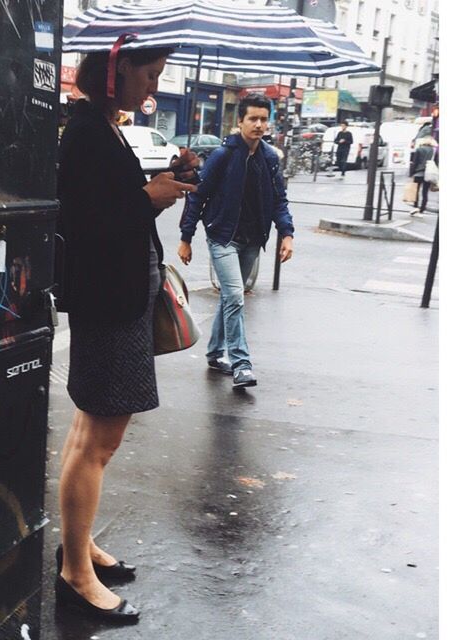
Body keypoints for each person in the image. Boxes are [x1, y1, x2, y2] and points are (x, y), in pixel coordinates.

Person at [56, 45, 198, 623]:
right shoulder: (87, 133)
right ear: (116, 73)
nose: (154, 87)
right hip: (109, 303)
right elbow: (86, 224)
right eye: (150, 75)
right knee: (100, 442)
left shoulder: (102, 128)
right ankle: (74, 573)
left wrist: (167, 183)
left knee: (89, 430)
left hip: (116, 299)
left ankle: (77, 542)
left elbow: (112, 207)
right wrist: (149, 196)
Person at [177, 93, 294, 389]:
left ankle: (216, 353)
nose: (258, 125)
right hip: (223, 237)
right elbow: (197, 196)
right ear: (239, 121)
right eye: (252, 119)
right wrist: (186, 237)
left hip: (252, 239)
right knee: (235, 296)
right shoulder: (222, 156)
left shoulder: (269, 158)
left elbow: (279, 199)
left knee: (231, 298)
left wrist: (287, 233)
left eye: (263, 119)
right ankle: (241, 363)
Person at [409, 135, 437, 216]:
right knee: (425, 192)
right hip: (429, 174)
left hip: (418, 173)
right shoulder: (433, 151)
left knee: (416, 191)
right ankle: (422, 209)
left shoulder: (419, 149)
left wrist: (411, 173)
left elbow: (415, 162)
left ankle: (415, 207)